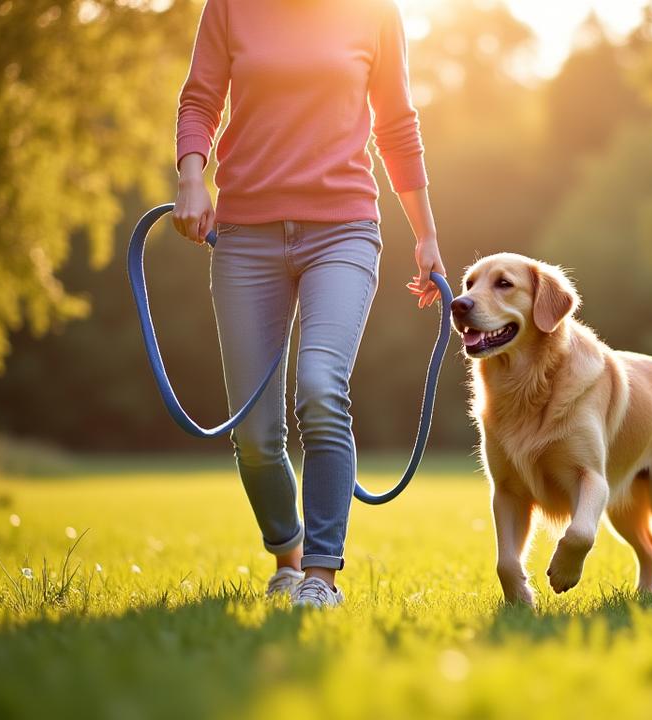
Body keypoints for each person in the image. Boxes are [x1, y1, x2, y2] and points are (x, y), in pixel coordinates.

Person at [172, 0, 445, 608]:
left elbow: (396, 122)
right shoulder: (230, 8)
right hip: (245, 234)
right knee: (256, 434)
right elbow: (199, 100)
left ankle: (321, 577)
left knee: (321, 387)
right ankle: (287, 557)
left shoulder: (375, 13)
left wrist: (426, 236)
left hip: (343, 229)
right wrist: (193, 177)